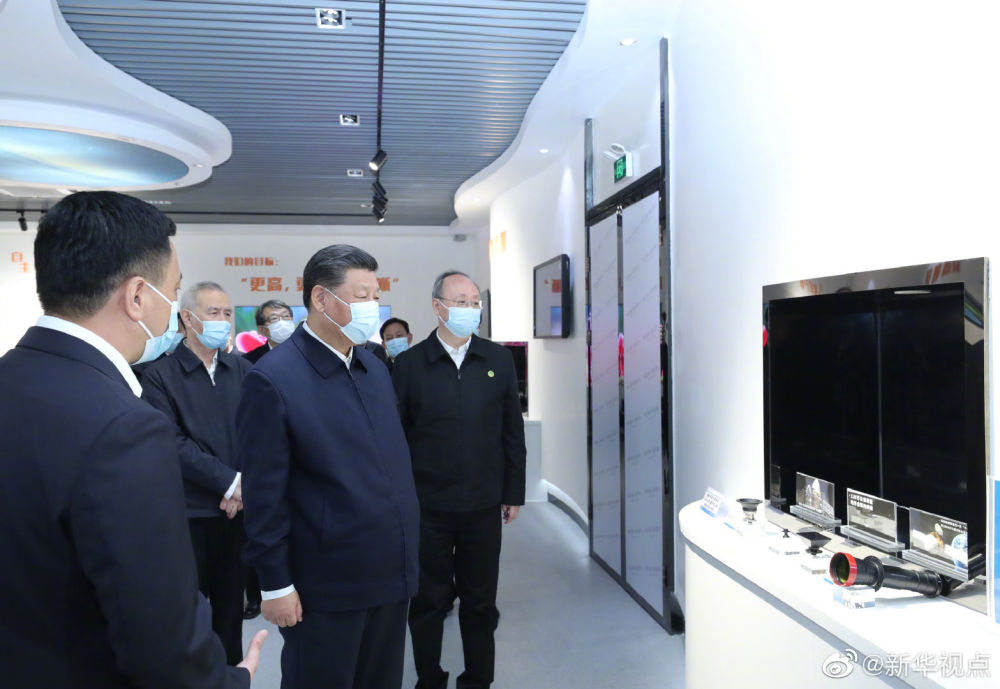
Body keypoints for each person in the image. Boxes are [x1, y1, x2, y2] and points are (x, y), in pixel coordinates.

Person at [0, 191, 265, 689]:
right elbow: (161, 639)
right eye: (174, 290)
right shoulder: (124, 425)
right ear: (138, 295)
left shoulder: (14, 377)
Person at [237, 244, 420, 689]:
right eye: (361, 296)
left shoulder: (373, 368)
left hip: (390, 571)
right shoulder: (274, 378)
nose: (372, 307)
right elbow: (264, 494)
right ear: (321, 299)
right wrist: (275, 584)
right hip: (326, 584)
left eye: (376, 296)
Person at [393, 270, 526, 689]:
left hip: (482, 504)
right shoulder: (410, 364)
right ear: (438, 307)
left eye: (474, 303)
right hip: (427, 506)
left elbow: (512, 432)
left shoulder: (497, 360)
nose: (471, 310)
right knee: (427, 601)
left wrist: (513, 492)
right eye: (461, 302)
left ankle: (477, 681)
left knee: (480, 602)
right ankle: (429, 678)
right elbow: (396, 438)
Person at [139, 281, 253, 665]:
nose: (223, 320)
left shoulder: (243, 369)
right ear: (187, 318)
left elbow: (262, 432)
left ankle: (231, 677)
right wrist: (230, 482)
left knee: (230, 612)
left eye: (227, 313)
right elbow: (170, 441)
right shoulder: (159, 374)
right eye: (213, 313)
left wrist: (243, 486)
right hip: (188, 514)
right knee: (186, 613)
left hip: (236, 514)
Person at [245, 298, 295, 364]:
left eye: (286, 316)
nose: (282, 322)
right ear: (261, 329)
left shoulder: (305, 352)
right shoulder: (249, 360)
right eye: (274, 318)